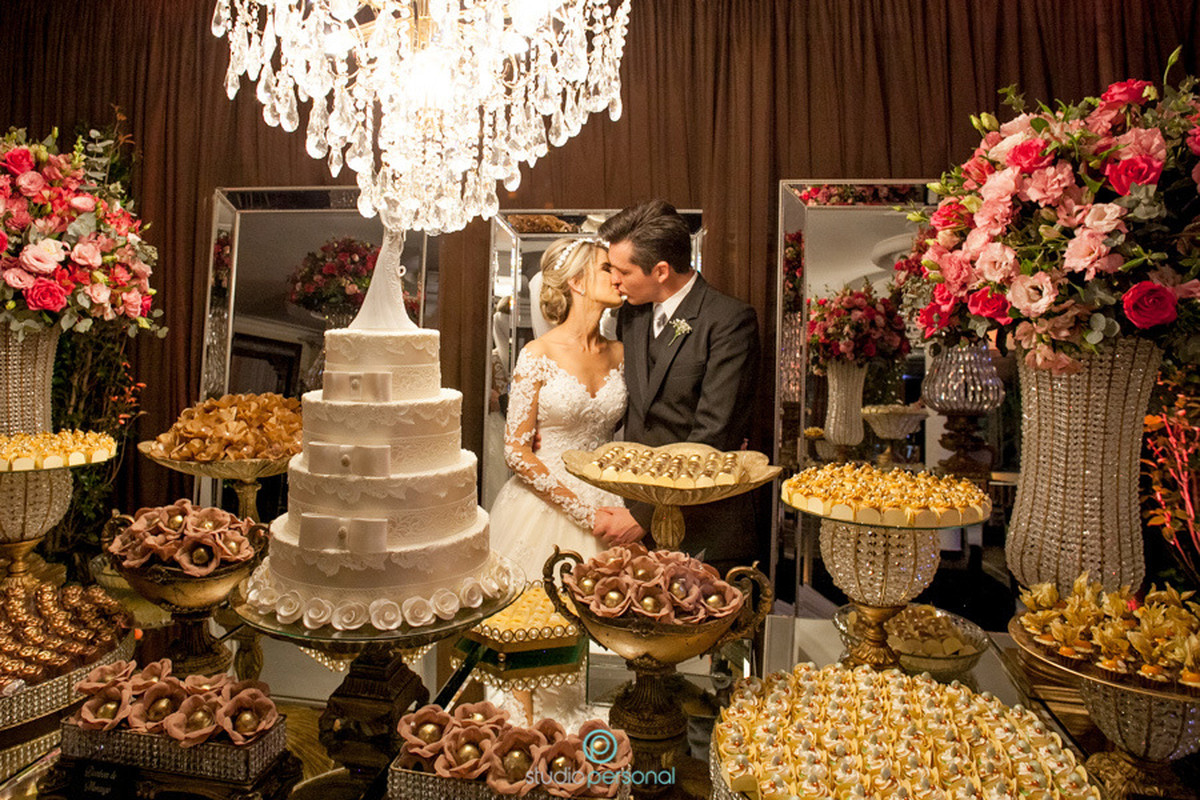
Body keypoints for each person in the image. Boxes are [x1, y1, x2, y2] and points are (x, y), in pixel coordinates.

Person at [593, 200, 761, 574]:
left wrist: (643, 515)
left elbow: (715, 433)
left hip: (704, 525)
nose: (614, 281)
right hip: (631, 516)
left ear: (662, 270)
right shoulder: (631, 315)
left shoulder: (729, 322)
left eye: (622, 271)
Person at [489, 237, 628, 569]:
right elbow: (516, 452)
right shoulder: (538, 354)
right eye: (606, 268)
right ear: (576, 282)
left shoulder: (622, 353)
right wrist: (585, 513)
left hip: (612, 499)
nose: (617, 276)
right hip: (545, 503)